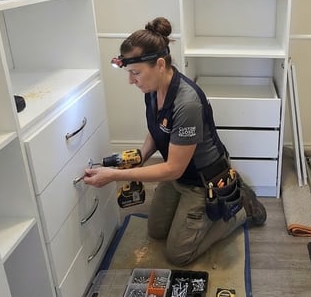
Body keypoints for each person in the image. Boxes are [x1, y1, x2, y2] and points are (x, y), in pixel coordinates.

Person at [83, 17, 266, 266]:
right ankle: (192, 212)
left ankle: (239, 209)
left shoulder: (186, 103)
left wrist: (114, 176)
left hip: (202, 181)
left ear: (159, 64)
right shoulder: (151, 89)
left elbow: (173, 168)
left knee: (178, 254)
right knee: (156, 231)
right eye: (129, 73)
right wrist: (141, 155)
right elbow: (158, 130)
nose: (131, 80)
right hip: (178, 176)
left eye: (135, 73)